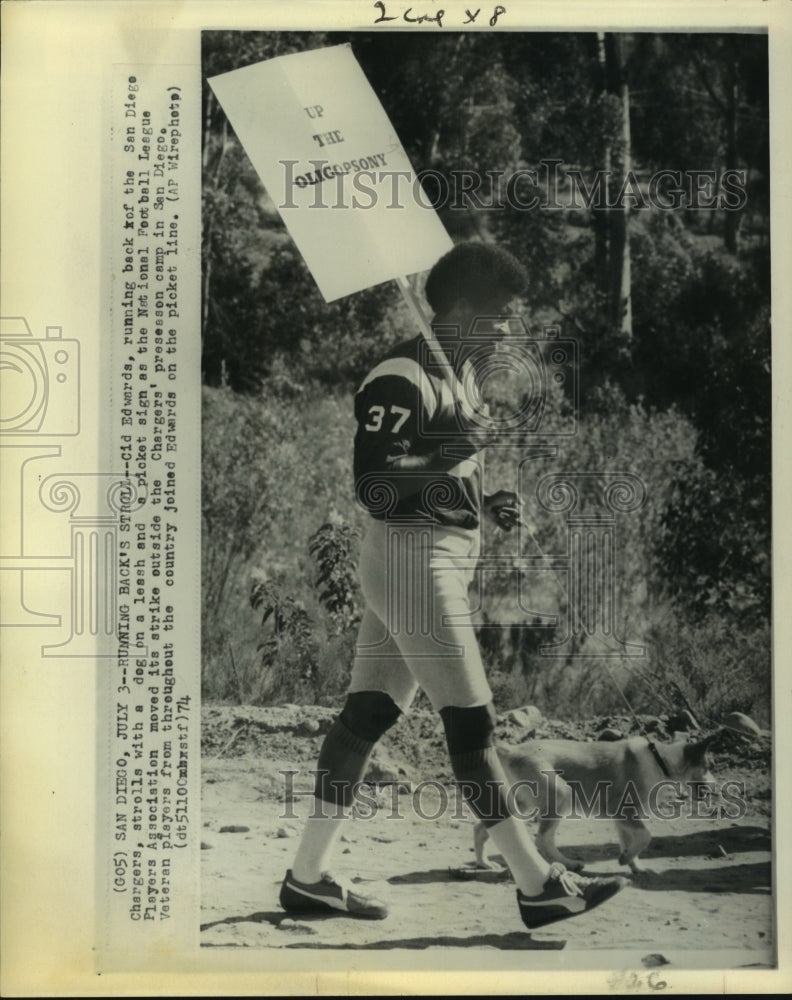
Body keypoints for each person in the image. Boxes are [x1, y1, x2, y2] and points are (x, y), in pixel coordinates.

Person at [280, 242, 627, 931]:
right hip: (411, 561)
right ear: (464, 310)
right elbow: (373, 483)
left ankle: (307, 878)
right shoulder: (400, 374)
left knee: (369, 717)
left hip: (432, 557)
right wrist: (449, 455)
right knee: (473, 725)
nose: (508, 330)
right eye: (500, 316)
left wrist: (483, 498)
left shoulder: (461, 376)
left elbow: (442, 474)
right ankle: (536, 884)